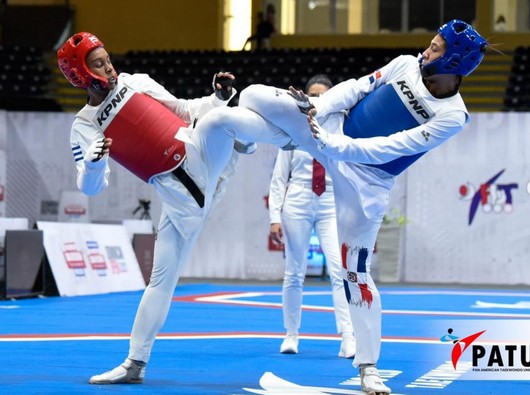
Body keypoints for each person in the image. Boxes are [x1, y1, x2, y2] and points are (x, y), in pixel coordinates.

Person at [203, 19, 488, 395]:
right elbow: (357, 88)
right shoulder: (405, 63)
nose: (426, 51)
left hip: (367, 183)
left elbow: (395, 146)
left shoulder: (453, 116)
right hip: (331, 131)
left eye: (436, 48)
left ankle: (368, 368)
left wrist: (338, 147)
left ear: (454, 62)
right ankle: (255, 141)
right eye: (431, 43)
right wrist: (318, 106)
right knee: (254, 94)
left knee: (356, 272)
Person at [56, 31, 266, 385]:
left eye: (107, 59)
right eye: (98, 64)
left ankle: (284, 136)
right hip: (183, 202)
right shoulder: (85, 125)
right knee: (160, 282)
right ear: (80, 74)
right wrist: (92, 164)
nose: (108, 67)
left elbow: (184, 109)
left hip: (202, 159)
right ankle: (135, 363)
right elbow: (91, 187)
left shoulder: (135, 82)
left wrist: (217, 98)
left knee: (228, 113)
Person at [269, 74, 355, 357]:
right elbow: (279, 177)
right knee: (294, 272)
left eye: (322, 95)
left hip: (331, 199)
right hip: (298, 199)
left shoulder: (342, 125)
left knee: (339, 270)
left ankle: (347, 336)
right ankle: (291, 334)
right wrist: (274, 217)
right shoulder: (292, 127)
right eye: (312, 94)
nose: (316, 99)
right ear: (303, 97)